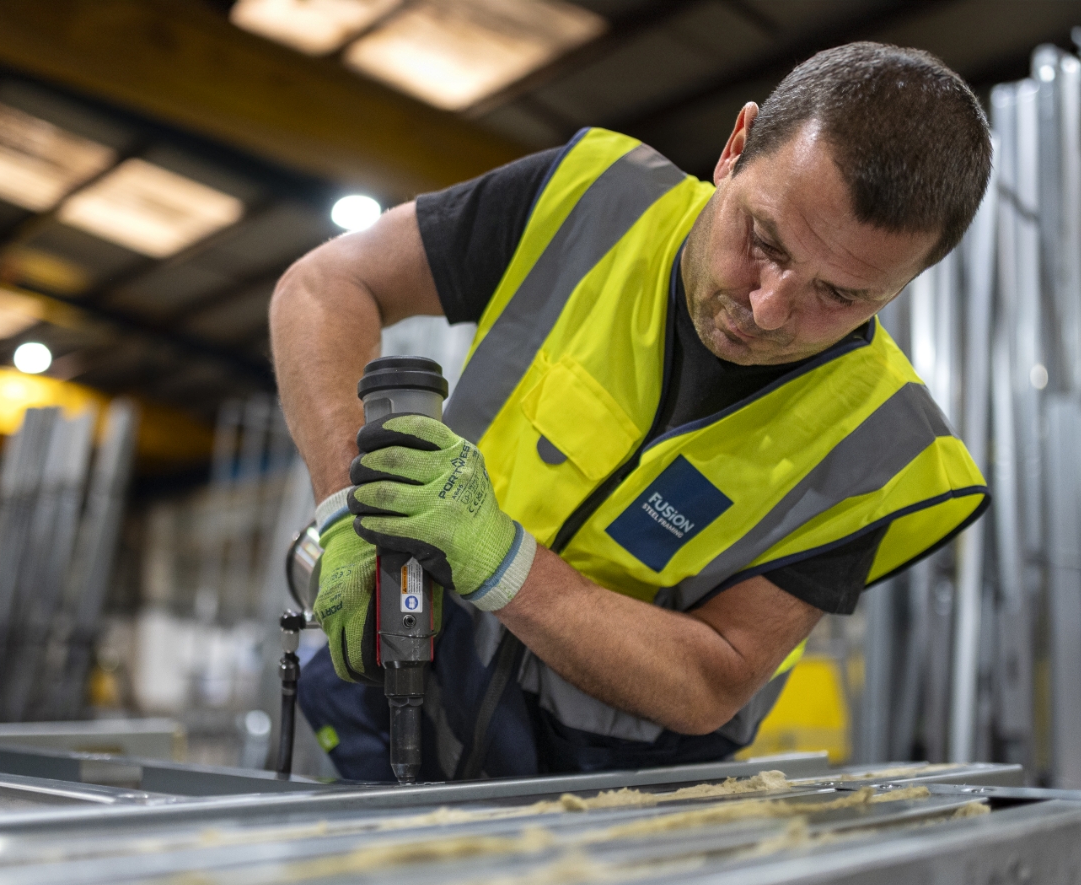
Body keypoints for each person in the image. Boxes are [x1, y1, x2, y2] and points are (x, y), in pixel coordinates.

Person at [269, 42, 992, 781]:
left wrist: (503, 562)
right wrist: (345, 508)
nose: (769, 307)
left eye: (840, 295)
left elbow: (715, 679)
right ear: (735, 149)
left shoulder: (879, 443)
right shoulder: (592, 200)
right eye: (762, 240)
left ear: (902, 285)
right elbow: (324, 286)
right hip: (376, 706)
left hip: (601, 800)